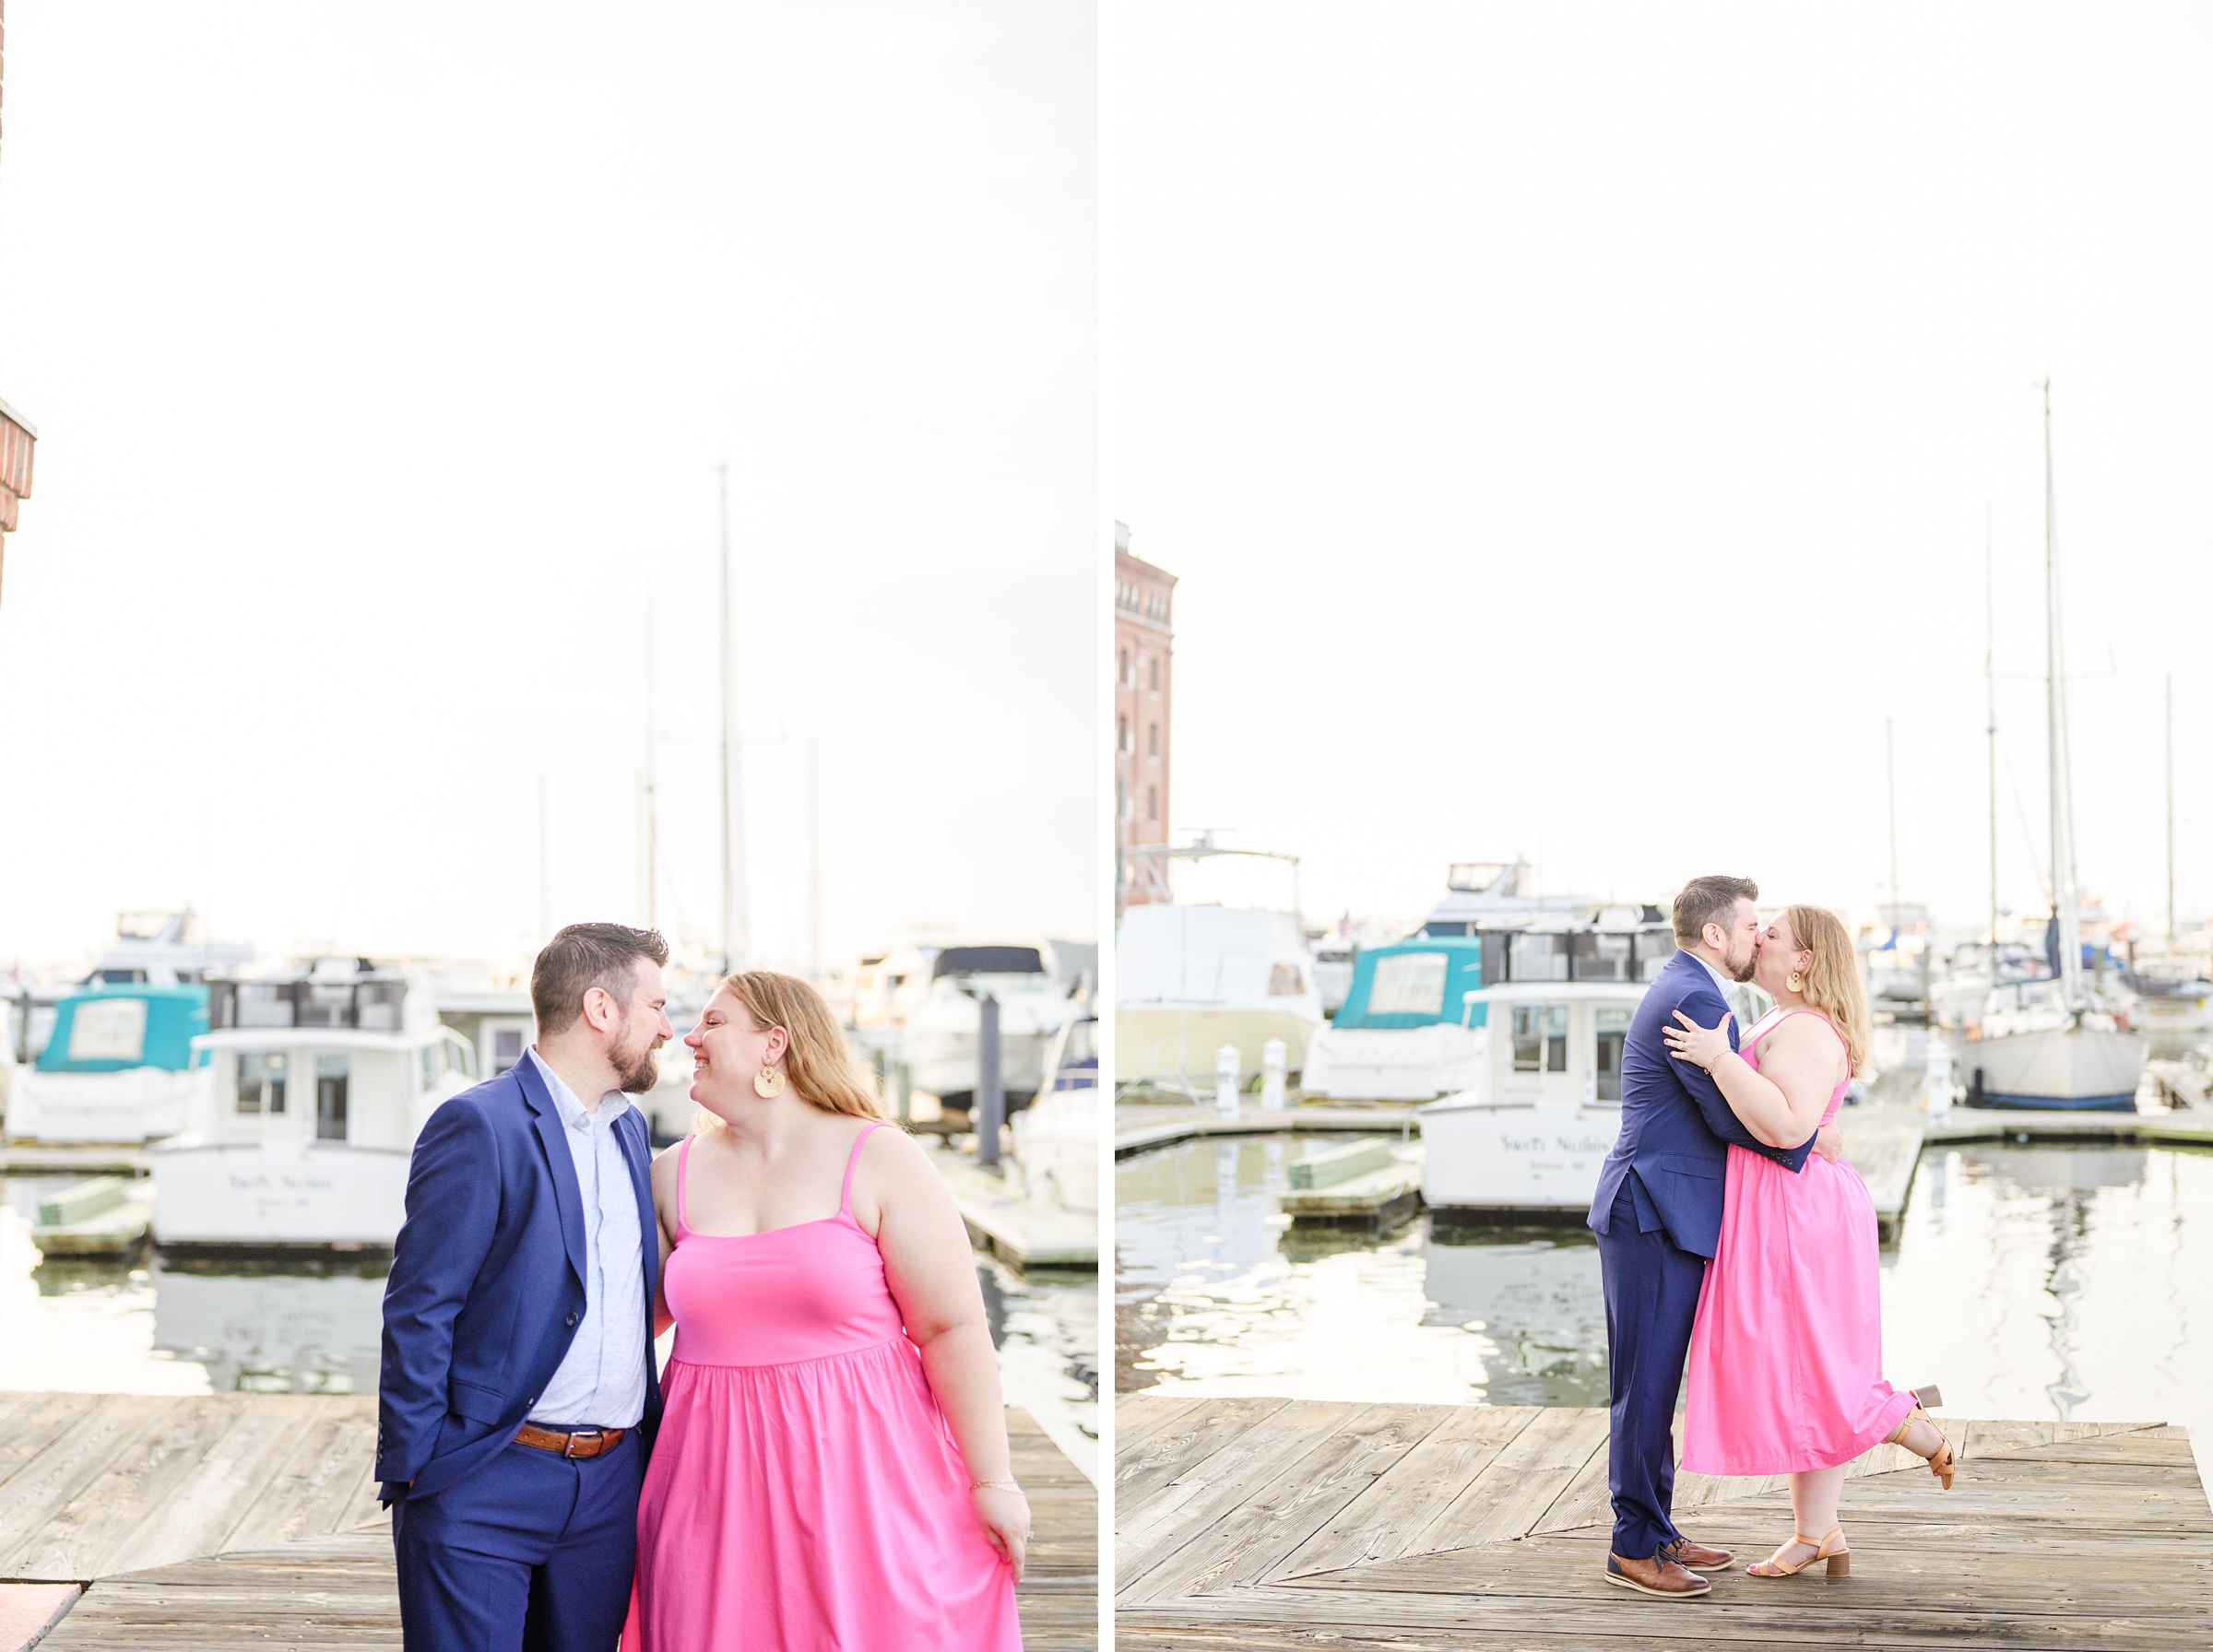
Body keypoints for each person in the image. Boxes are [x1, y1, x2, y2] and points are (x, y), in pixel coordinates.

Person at [629, 969, 1029, 1651]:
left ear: (773, 1044)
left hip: (860, 1474)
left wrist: (993, 1479)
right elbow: (632, 1324)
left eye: (715, 1023)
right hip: (709, 1483)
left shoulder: (879, 1156)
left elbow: (950, 1329)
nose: (690, 1037)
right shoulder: (670, 1172)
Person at [377, 924, 673, 1652]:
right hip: (486, 1475)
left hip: (609, 1488)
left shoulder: (631, 1131)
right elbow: (420, 1306)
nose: (669, 1028)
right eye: (658, 1006)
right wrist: (425, 1470)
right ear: (601, 1009)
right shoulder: (479, 1124)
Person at [1666, 903, 1955, 1579]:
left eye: (1773, 933)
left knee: (1812, 1366)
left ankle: (1903, 1421)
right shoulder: (1780, 1020)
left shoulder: (1802, 1028)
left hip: (1798, 1217)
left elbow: (1787, 1126)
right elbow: (1805, 1125)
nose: (1758, 936)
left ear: (1803, 961)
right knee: (1800, 1371)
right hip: (1785, 1207)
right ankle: (1817, 1532)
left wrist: (1716, 1060)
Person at [1588, 875, 1839, 1600]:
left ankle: (1657, 1529)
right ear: (1715, 935)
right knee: (1643, 1386)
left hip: (1664, 1209)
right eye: (1750, 926)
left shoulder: (1691, 990)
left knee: (1656, 1382)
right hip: (1651, 1210)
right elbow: (1726, 1114)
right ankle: (1633, 1546)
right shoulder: (1694, 997)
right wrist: (1807, 1139)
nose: (1757, 938)